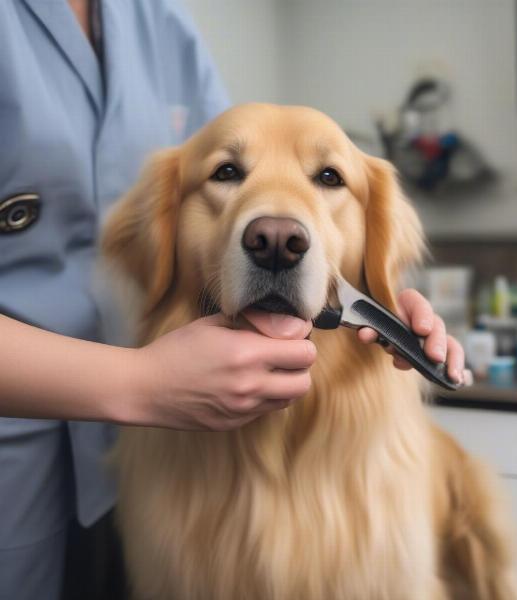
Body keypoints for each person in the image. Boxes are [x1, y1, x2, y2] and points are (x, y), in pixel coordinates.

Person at [0, 1, 465, 599]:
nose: (274, 228)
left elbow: (248, 157)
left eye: (328, 179)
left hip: (146, 468)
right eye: (229, 176)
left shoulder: (159, 23)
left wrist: (371, 290)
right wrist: (139, 382)